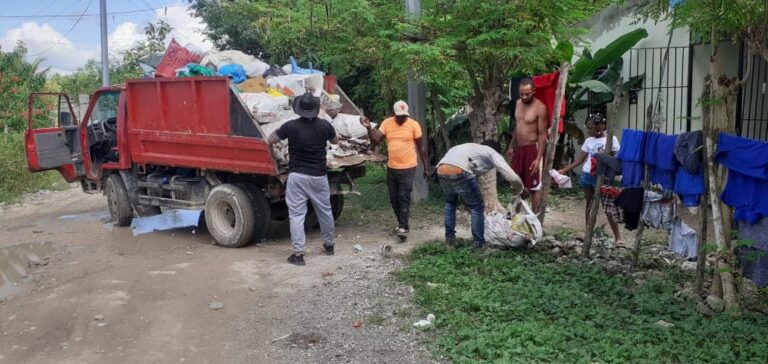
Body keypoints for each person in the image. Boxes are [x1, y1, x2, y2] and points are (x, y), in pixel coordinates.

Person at [269, 92, 338, 266]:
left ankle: (298, 255)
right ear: (316, 109)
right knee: (325, 211)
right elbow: (335, 141)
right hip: (319, 176)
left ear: (298, 109)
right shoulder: (325, 125)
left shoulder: (290, 126)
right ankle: (329, 245)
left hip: (297, 176)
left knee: (297, 215)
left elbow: (271, 138)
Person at [360, 101, 430, 241]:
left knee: (403, 197)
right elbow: (375, 142)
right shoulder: (387, 123)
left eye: (404, 116)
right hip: (392, 167)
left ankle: (403, 228)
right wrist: (368, 129)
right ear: (393, 114)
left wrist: (427, 167)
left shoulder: (413, 125)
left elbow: (421, 147)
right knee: (394, 198)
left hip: (408, 167)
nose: (401, 118)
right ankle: (402, 224)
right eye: (399, 116)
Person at [436, 141, 524, 250]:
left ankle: (450, 241)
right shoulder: (492, 153)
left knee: (450, 203)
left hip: (441, 169)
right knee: (477, 207)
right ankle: (479, 245)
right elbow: (512, 177)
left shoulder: (471, 148)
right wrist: (521, 189)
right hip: (460, 169)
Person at [558, 114, 623, 246]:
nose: (589, 131)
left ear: (600, 127)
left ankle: (619, 238)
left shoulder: (611, 139)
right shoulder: (589, 141)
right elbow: (580, 160)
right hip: (588, 175)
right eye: (587, 127)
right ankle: (588, 233)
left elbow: (616, 159)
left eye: (591, 128)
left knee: (608, 207)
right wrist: (564, 170)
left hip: (603, 177)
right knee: (589, 205)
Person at [508, 78, 548, 214]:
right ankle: (517, 220)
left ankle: (534, 222)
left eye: (527, 94)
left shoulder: (540, 108)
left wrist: (538, 158)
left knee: (534, 187)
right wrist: (511, 146)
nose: (524, 97)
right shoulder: (518, 104)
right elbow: (517, 127)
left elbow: (543, 135)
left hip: (533, 149)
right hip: (519, 150)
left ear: (533, 91)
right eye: (521, 94)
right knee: (516, 184)